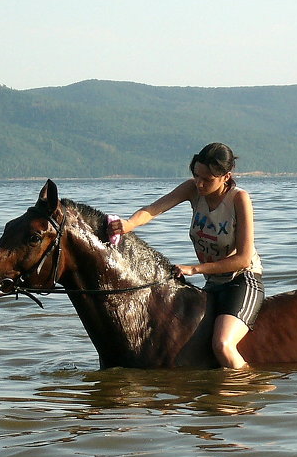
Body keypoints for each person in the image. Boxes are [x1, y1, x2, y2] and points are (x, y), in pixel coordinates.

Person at [108, 142, 264, 369]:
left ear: (226, 177)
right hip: (213, 283)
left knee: (222, 345)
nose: (200, 183)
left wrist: (194, 269)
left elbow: (243, 258)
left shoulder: (239, 199)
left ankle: (247, 390)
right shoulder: (193, 190)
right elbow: (154, 209)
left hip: (242, 280)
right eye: (196, 175)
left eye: (207, 179)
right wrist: (129, 224)